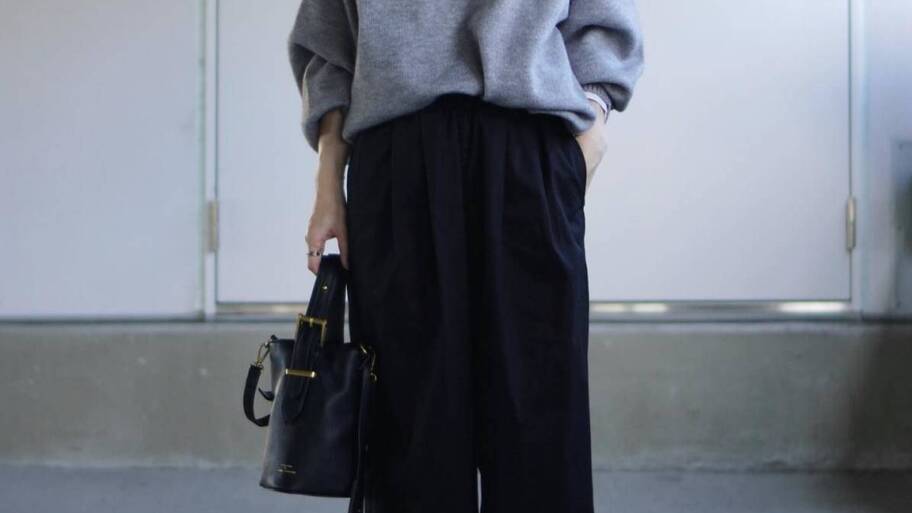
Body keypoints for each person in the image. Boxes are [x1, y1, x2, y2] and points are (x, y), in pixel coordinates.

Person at [288, 1, 644, 512]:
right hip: (398, 161)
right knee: (408, 437)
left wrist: (589, 132)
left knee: (539, 432)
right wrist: (327, 180)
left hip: (528, 151)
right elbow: (329, 42)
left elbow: (603, 18)